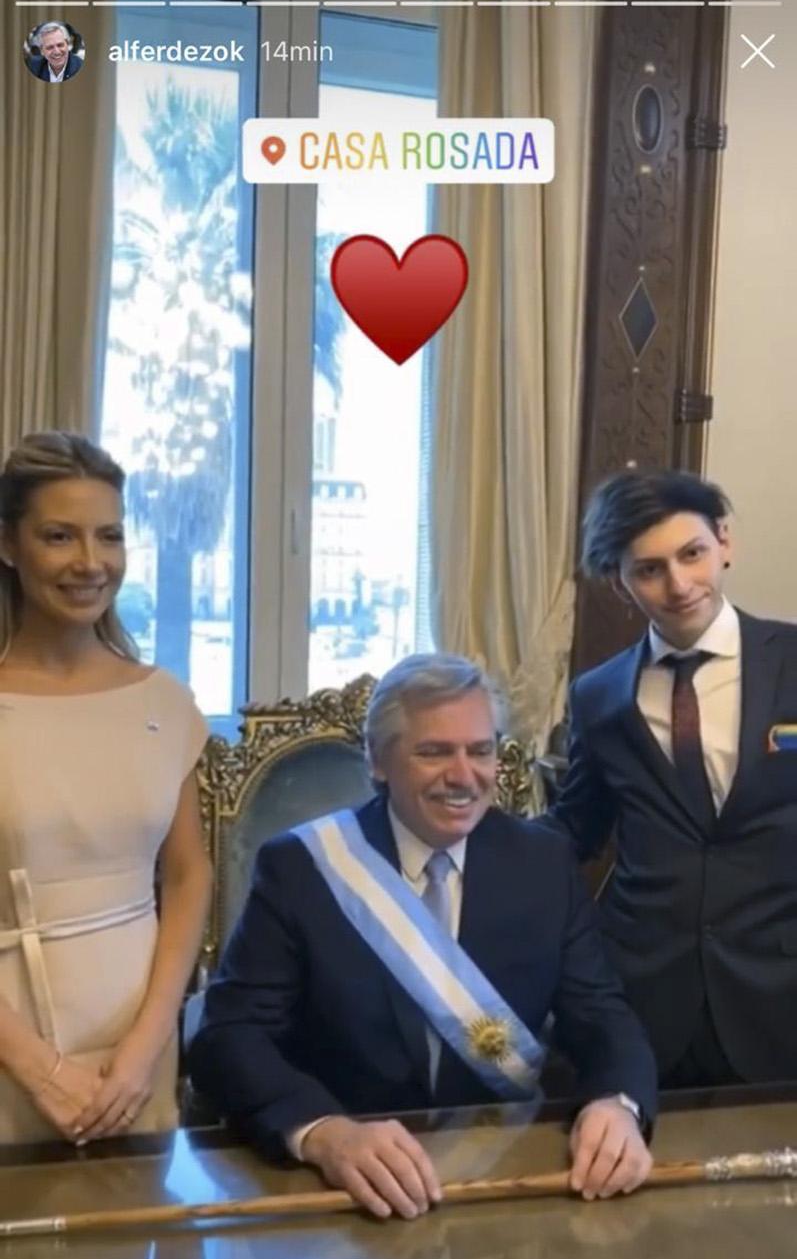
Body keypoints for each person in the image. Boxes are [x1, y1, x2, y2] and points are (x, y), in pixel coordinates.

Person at [190, 654, 657, 1219]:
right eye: (434, 751)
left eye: (480, 750)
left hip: (504, 1185)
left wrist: (618, 1103)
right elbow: (228, 1038)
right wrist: (323, 1134)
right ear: (378, 760)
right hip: (345, 1188)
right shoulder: (301, 869)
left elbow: (602, 1015)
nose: (464, 776)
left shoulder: (544, 862)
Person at [546, 468, 797, 1088]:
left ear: (724, 543)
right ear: (620, 583)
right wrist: (465, 846)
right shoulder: (598, 696)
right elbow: (575, 830)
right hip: (643, 991)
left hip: (780, 986)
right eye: (649, 569)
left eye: (693, 554)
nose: (679, 585)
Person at [0, 431, 211, 1145]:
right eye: (59, 536)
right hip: (12, 1053)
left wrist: (150, 1041)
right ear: (8, 545)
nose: (90, 562)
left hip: (136, 1056)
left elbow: (187, 877)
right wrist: (36, 1066)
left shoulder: (165, 701)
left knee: (126, 1249)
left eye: (109, 536)